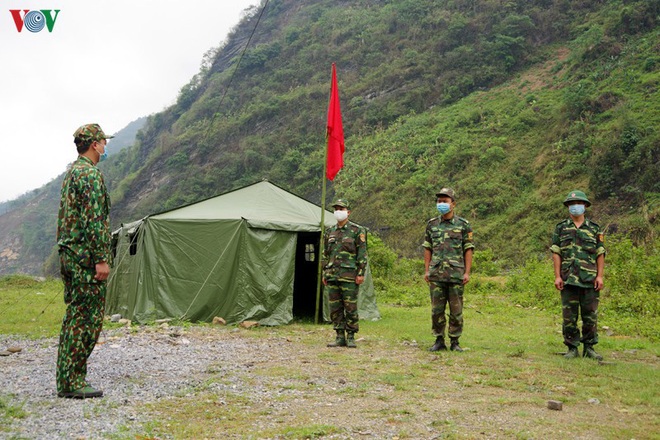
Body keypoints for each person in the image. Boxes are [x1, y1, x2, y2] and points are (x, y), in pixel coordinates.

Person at [56, 123, 113, 398]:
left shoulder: (72, 172)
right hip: (84, 260)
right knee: (86, 320)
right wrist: (101, 259)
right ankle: (72, 381)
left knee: (75, 316)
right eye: (103, 141)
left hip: (71, 255)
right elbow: (94, 222)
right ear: (94, 144)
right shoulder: (89, 175)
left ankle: (67, 378)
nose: (105, 146)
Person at [551, 190, 606, 360]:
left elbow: (600, 253)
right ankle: (572, 347)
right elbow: (556, 252)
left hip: (589, 279)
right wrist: (558, 276)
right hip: (568, 279)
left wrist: (600, 276)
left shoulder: (594, 229)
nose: (576, 207)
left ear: (585, 206)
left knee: (590, 315)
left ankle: (589, 348)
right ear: (568, 207)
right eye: (572, 204)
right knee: (569, 317)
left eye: (579, 204)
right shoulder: (561, 228)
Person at [423, 188, 474, 352]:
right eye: (439, 201)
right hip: (436, 274)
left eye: (445, 201)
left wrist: (467, 272)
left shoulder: (463, 225)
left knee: (456, 310)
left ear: (453, 204)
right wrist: (427, 270)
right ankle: (439, 340)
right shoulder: (432, 225)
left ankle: (455, 341)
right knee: (437, 310)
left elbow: (468, 249)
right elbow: (428, 248)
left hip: (455, 273)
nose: (441, 204)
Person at [322, 199, 368, 348]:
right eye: (336, 209)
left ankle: (351, 336)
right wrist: (324, 273)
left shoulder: (357, 231)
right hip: (332, 275)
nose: (338, 211)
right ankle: (339, 336)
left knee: (350, 307)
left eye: (341, 209)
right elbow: (325, 254)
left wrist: (361, 273)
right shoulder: (329, 231)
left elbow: (362, 254)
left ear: (348, 212)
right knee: (335, 307)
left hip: (349, 276)